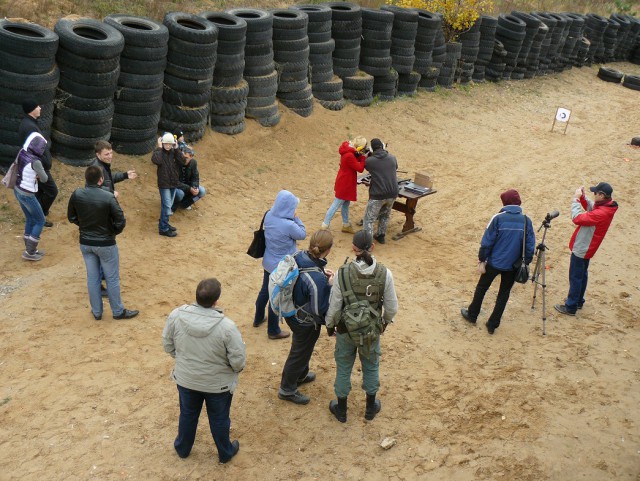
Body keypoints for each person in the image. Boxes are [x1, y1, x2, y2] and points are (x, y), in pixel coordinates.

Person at [162, 278, 246, 464]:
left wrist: (184, 360)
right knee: (219, 418)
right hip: (218, 385)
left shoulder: (176, 315)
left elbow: (167, 345)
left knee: (188, 414)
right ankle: (225, 453)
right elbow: (238, 361)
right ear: (217, 300)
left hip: (186, 379)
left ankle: (183, 449)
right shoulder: (227, 327)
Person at [325, 230, 398, 422]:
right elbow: (391, 307)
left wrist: (330, 326)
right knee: (371, 366)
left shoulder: (342, 273)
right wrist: (383, 324)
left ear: (353, 248)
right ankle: (370, 408)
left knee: (343, 367)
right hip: (371, 331)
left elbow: (334, 307)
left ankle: (341, 410)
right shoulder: (385, 273)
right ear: (372, 247)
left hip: (345, 329)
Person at [67, 166, 139, 321]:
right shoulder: (108, 197)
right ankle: (118, 311)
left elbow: (71, 217)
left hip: (86, 242)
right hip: (106, 243)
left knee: (93, 278)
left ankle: (97, 312)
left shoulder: (77, 194)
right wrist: (111, 232)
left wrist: (84, 226)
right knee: (111, 278)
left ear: (86, 179)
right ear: (100, 180)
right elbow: (120, 220)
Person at [461, 189, 535, 334]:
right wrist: (526, 261)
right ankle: (492, 324)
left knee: (482, 288)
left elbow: (487, 242)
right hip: (513, 266)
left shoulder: (498, 218)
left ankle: (472, 315)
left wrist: (482, 258)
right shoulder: (526, 221)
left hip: (494, 263)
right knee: (504, 294)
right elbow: (530, 246)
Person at [278, 230, 334, 405]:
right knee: (299, 352)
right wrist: (329, 286)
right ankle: (287, 389)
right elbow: (319, 309)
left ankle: (301, 374)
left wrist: (322, 273)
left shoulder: (299, 255)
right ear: (329, 250)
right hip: (305, 320)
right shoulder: (317, 278)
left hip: (291, 309)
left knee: (303, 349)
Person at [554, 183, 618, 315]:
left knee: (576, 277)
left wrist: (576, 200)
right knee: (582, 275)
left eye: (595, 193)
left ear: (601, 195)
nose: (593, 195)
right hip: (588, 247)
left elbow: (577, 218)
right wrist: (583, 198)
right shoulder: (606, 206)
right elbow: (592, 208)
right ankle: (578, 301)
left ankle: (571, 306)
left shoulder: (601, 212)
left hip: (583, 247)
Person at [253, 190, 306, 340]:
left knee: (265, 290)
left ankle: (258, 318)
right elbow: (302, 234)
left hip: (268, 261)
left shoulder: (269, 215)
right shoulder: (289, 224)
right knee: (275, 296)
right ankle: (273, 330)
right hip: (281, 267)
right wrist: (297, 218)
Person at [18, 98, 57, 227]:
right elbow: (34, 150)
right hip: (38, 166)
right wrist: (40, 168)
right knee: (52, 191)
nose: (40, 108)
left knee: (40, 190)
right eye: (37, 106)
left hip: (35, 164)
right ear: (31, 110)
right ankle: (40, 215)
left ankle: (37, 213)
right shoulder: (30, 127)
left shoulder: (28, 123)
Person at [321, 136, 368, 234]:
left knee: (346, 204)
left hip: (346, 181)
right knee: (336, 204)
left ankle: (346, 224)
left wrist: (360, 155)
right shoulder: (349, 155)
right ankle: (324, 225)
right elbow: (359, 168)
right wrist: (363, 157)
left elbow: (355, 158)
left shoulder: (349, 152)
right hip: (345, 183)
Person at [14, 132, 49, 261]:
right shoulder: (36, 162)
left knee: (30, 218)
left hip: (18, 190)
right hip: (28, 193)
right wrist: (39, 175)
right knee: (40, 220)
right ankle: (30, 252)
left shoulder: (22, 152)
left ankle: (30, 249)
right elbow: (45, 179)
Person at [362, 138, 399, 244]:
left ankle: (367, 242)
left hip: (378, 194)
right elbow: (394, 167)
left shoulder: (370, 161)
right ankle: (381, 235)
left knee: (369, 219)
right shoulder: (392, 157)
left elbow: (366, 167)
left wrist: (368, 156)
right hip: (392, 192)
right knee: (385, 215)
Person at [151, 133, 185, 237]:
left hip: (173, 183)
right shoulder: (159, 152)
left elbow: (183, 161)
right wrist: (159, 148)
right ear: (162, 143)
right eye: (166, 144)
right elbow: (156, 160)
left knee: (167, 205)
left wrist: (177, 149)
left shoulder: (174, 152)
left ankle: (164, 223)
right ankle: (163, 229)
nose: (168, 146)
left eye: (170, 144)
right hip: (164, 184)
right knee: (166, 206)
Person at [172, 147, 206, 211]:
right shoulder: (176, 163)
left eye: (186, 158)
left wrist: (195, 187)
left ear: (191, 157)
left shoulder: (193, 163)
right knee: (180, 194)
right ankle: (173, 205)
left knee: (202, 191)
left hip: (188, 187)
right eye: (182, 157)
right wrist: (189, 188)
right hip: (176, 188)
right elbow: (174, 182)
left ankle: (185, 204)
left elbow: (195, 177)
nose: (183, 160)